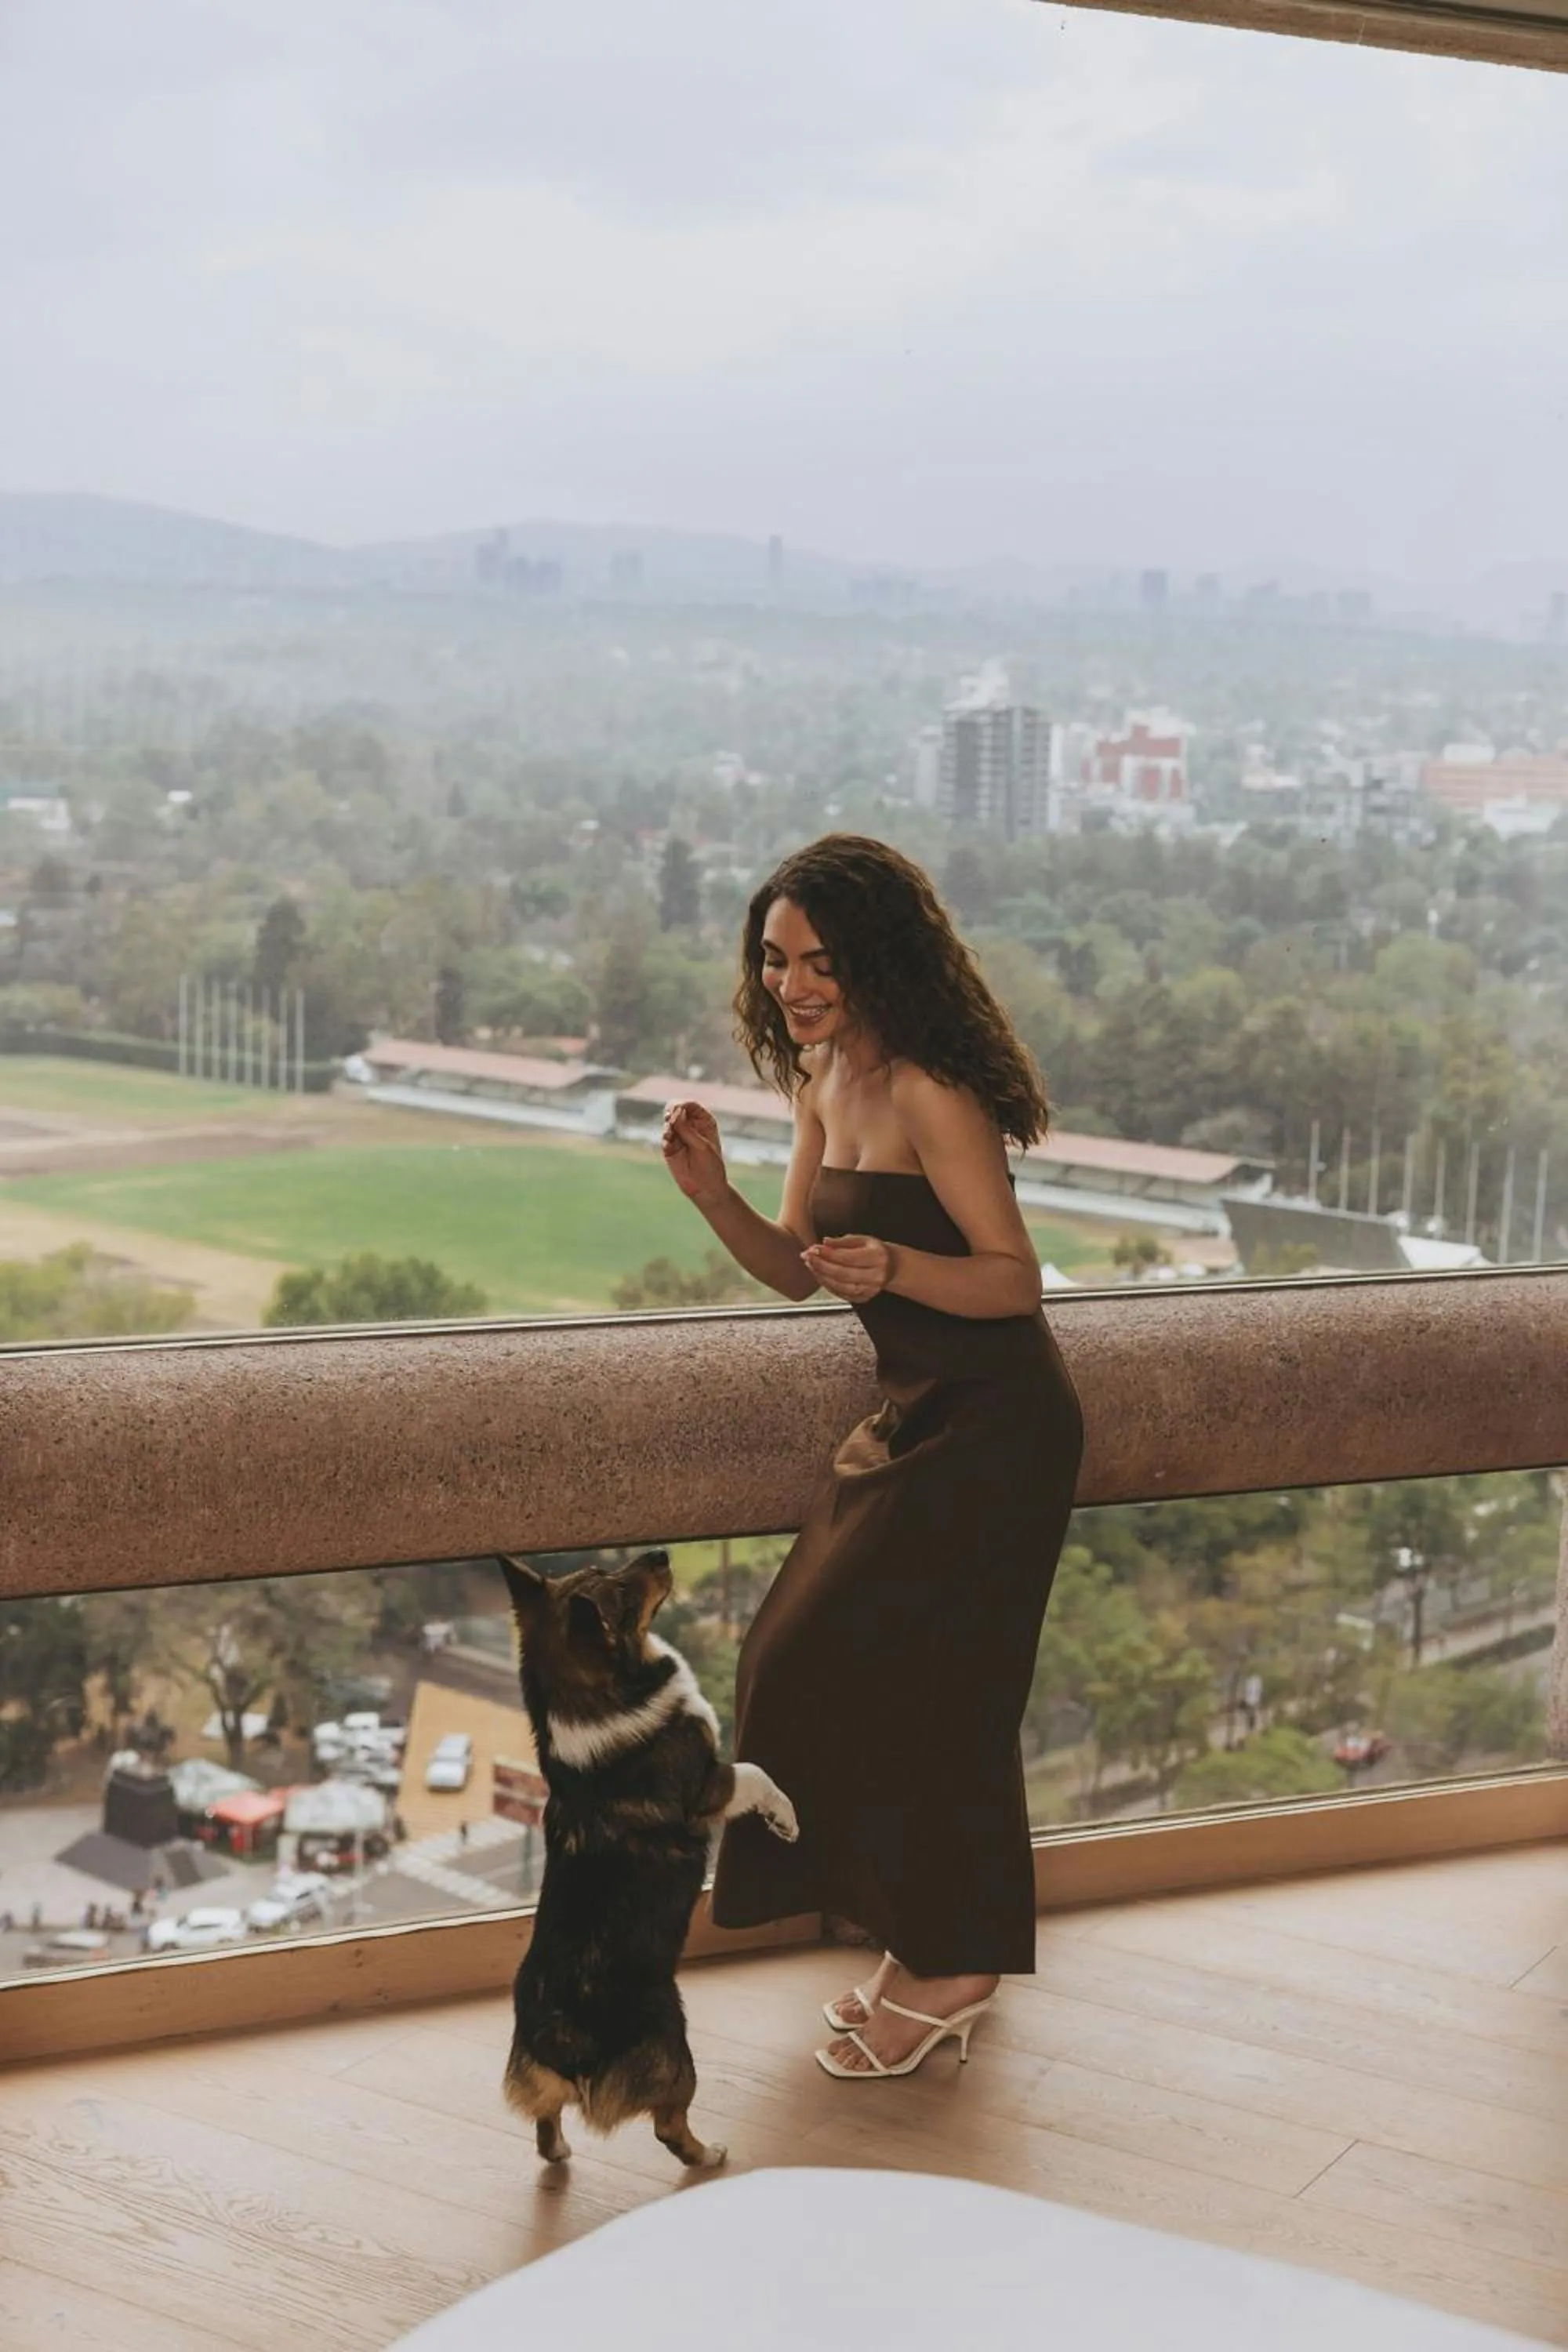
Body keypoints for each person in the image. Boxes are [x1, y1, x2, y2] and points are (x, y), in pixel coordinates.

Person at [661, 835, 1083, 2079]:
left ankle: (955, 1960)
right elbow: (797, 1270)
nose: (793, 984)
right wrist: (710, 1196)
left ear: (879, 959)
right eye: (777, 959)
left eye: (822, 962)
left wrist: (898, 1268)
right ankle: (920, 1937)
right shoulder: (823, 1076)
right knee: (798, 1656)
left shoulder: (926, 1089)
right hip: (914, 1419)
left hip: (999, 1424)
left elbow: (1013, 1283)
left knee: (939, 1700)